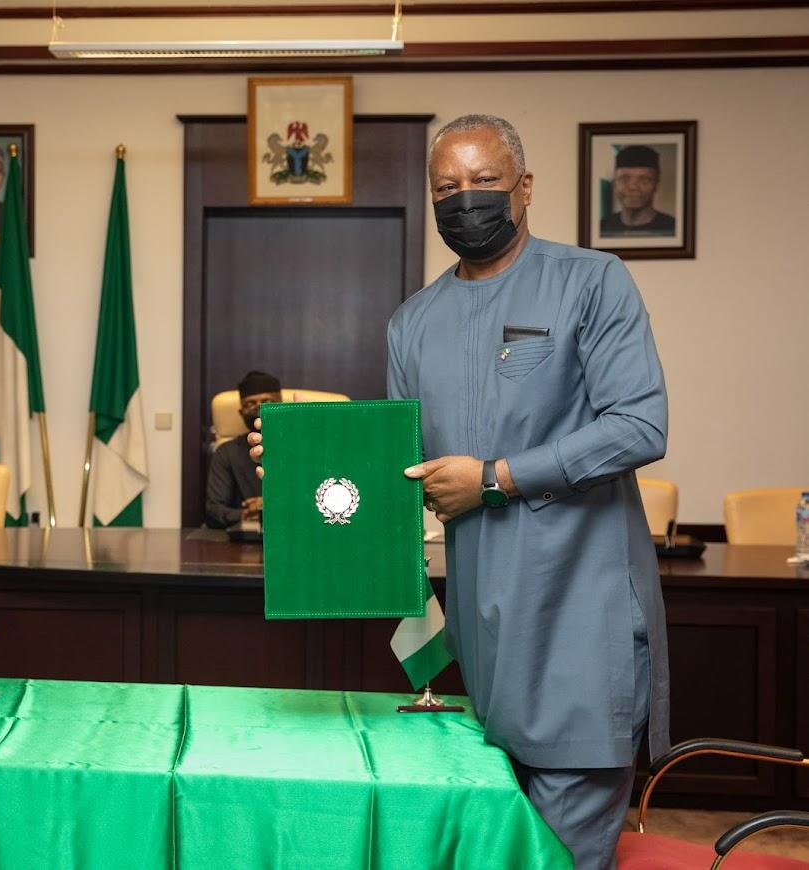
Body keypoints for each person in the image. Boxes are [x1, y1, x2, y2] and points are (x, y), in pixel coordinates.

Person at [251, 114, 669, 869]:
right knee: (493, 852)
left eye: (483, 182)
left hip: (582, 630)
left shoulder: (591, 281)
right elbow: (399, 475)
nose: (464, 200)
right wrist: (300, 463)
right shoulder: (413, 323)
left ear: (525, 188)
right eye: (447, 187)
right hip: (486, 647)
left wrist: (495, 478)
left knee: (564, 858)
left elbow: (639, 427)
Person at [205, 370, 280, 529]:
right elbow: (213, 511)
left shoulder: (299, 448)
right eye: (250, 404)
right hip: (243, 542)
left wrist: (268, 505)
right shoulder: (226, 452)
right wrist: (246, 513)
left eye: (267, 401)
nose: (259, 407)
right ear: (241, 412)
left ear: (280, 405)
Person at [599, 144, 676, 237]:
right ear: (615, 182)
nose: (633, 187)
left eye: (644, 179)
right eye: (624, 178)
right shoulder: (601, 229)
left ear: (656, 184)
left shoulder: (673, 228)